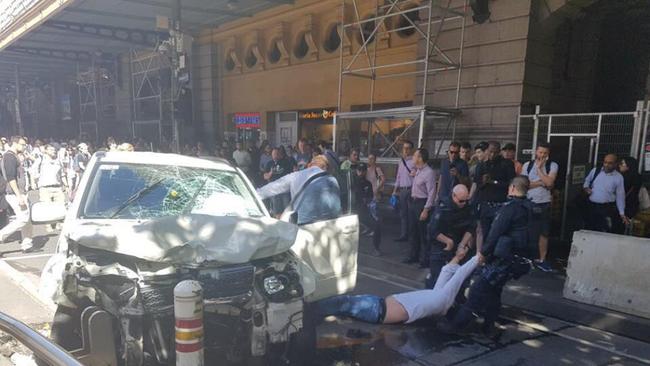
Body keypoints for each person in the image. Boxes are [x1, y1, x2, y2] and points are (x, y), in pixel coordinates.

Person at [439, 176, 534, 336]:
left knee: (477, 290)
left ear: (511, 188)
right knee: (494, 291)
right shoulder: (529, 207)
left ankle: (456, 326)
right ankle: (489, 327)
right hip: (517, 260)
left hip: (503, 259)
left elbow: (495, 233)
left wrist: (482, 253)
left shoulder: (510, 208)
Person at [316, 246, 478, 324]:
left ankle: (307, 311)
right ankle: (310, 311)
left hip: (376, 310)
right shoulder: (438, 297)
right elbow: (446, 271)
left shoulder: (442, 300)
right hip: (377, 305)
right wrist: (458, 257)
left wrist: (478, 258)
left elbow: (459, 275)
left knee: (343, 303)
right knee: (342, 304)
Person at [257, 155, 341, 225]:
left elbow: (272, 188)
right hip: (331, 226)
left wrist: (251, 196)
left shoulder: (296, 176)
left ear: (309, 165)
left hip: (304, 226)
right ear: (325, 167)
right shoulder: (332, 180)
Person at [426, 184, 476, 287]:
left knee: (460, 279)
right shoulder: (443, 207)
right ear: (453, 195)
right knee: (437, 278)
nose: (464, 203)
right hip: (441, 245)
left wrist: (462, 244)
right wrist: (448, 241)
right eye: (461, 201)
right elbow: (433, 230)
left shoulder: (468, 206)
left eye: (466, 200)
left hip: (459, 243)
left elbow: (471, 227)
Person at [521, 143, 558, 272]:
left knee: (544, 232)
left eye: (545, 153)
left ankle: (542, 259)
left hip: (544, 203)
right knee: (527, 230)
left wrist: (540, 170)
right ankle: (526, 258)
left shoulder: (552, 165)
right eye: (540, 152)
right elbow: (524, 184)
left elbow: (550, 182)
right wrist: (541, 182)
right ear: (536, 152)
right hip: (529, 201)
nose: (542, 155)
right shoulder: (527, 165)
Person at [474, 141, 516, 247]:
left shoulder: (506, 164)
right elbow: (477, 184)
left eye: (495, 152)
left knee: (498, 232)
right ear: (487, 151)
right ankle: (484, 257)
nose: (492, 155)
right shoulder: (482, 165)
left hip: (500, 203)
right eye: (490, 152)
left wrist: (494, 182)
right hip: (485, 203)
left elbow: (511, 183)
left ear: (499, 152)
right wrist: (483, 182)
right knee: (484, 231)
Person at [404, 148, 438, 267]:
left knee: (423, 233)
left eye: (415, 156)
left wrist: (426, 209)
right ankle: (414, 255)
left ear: (420, 158)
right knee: (413, 231)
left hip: (422, 203)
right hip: (413, 202)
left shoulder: (429, 172)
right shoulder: (418, 170)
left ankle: (425, 259)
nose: (413, 158)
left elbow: (432, 193)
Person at [0, 136, 33, 252]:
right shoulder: (9, 157)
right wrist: (19, 195)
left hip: (19, 192)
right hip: (14, 193)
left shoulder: (13, 156)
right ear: (15, 143)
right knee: (23, 218)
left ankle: (27, 244)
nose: (24, 147)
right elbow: (10, 178)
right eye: (22, 145)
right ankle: (1, 236)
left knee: (27, 219)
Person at [583, 154, 627, 233]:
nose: (606, 165)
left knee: (604, 230)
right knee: (589, 229)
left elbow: (620, 196)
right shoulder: (595, 171)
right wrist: (586, 188)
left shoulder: (618, 177)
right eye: (605, 162)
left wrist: (622, 213)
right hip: (591, 206)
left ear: (615, 164)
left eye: (610, 163)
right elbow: (587, 180)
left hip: (606, 208)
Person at [35, 144, 68, 232]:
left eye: (54, 150)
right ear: (45, 150)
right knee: (47, 206)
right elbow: (33, 171)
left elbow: (62, 174)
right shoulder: (41, 160)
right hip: (45, 187)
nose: (53, 151)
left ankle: (59, 223)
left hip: (57, 186)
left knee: (60, 205)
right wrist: (34, 181)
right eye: (51, 149)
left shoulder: (58, 161)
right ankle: (48, 225)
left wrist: (66, 185)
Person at [354, 163, 381, 256]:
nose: (361, 173)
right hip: (352, 210)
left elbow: (370, 197)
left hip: (363, 210)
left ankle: (376, 248)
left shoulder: (367, 184)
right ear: (357, 171)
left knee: (377, 226)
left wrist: (366, 200)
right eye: (359, 170)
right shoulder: (352, 182)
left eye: (363, 171)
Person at [392, 140, 415, 242]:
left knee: (411, 214)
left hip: (411, 190)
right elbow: (398, 177)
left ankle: (411, 235)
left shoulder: (415, 162)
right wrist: (394, 190)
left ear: (411, 150)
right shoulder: (401, 161)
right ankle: (403, 234)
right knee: (403, 214)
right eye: (404, 148)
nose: (406, 150)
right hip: (402, 190)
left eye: (408, 148)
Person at [263, 147, 294, 215]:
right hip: (274, 189)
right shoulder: (269, 163)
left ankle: (288, 223)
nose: (275, 155)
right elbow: (265, 177)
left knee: (286, 208)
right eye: (274, 154)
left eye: (277, 154)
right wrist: (271, 172)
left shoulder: (286, 162)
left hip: (284, 189)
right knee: (276, 209)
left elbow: (291, 174)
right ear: (271, 154)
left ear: (280, 154)